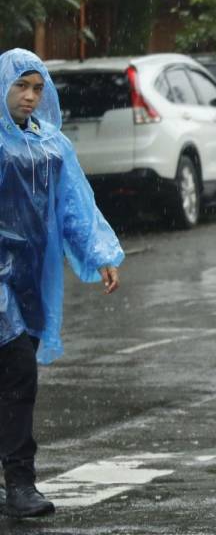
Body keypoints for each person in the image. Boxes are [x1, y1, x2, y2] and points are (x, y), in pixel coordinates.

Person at [0, 49, 123, 518]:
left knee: (13, 369)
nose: (30, 97)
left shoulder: (51, 144)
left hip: (31, 275)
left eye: (37, 88)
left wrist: (100, 253)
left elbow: (74, 205)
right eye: (21, 87)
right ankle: (20, 482)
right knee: (17, 372)